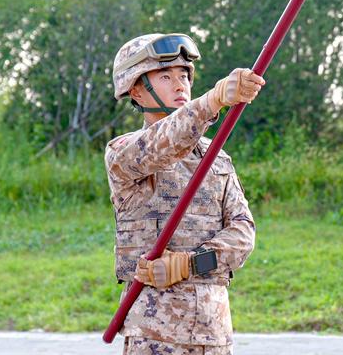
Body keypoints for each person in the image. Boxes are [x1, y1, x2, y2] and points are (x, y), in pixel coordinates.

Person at [105, 33, 265, 355]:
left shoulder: (217, 158)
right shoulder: (123, 152)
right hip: (155, 337)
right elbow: (164, 142)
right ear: (136, 90)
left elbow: (243, 234)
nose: (180, 85)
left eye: (184, 75)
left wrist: (188, 265)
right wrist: (213, 100)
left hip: (214, 334)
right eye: (165, 76)